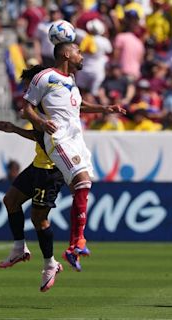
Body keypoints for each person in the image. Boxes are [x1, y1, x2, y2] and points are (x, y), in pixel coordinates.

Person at [23, 42, 125, 271]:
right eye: (79, 51)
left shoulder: (70, 81)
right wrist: (40, 122)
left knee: (84, 183)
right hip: (58, 138)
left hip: (77, 138)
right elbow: (26, 107)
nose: (82, 55)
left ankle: (75, 244)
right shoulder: (45, 77)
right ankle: (76, 242)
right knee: (81, 181)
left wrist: (104, 109)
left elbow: (78, 107)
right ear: (67, 54)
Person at [0, 65, 64, 292]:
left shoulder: (51, 105)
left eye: (28, 86)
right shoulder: (38, 106)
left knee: (39, 219)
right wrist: (15, 128)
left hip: (51, 169)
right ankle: (19, 248)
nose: (27, 91)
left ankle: (50, 264)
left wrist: (20, 126)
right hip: (38, 165)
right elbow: (39, 136)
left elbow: (45, 134)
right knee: (10, 201)